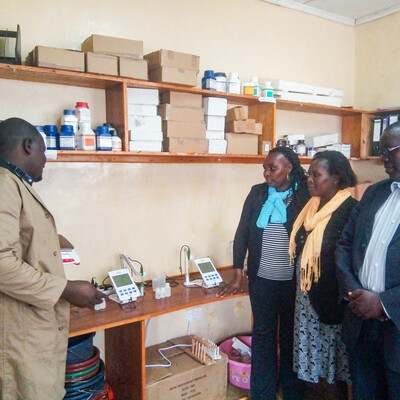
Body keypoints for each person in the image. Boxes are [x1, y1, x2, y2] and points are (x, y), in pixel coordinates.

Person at [0, 117, 106, 400]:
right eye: (44, 152)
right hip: (19, 331)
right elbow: (1, 264)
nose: (45, 160)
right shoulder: (4, 185)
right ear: (28, 145)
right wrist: (66, 288)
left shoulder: (16, 185)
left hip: (34, 325)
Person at [217, 146, 310, 400]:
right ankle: (262, 394)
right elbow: (242, 234)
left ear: (289, 167)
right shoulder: (258, 194)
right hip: (262, 281)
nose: (267, 174)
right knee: (263, 336)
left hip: (293, 283)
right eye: (265, 169)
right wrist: (238, 274)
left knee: (291, 337)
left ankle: (292, 392)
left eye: (273, 168)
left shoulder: (304, 195)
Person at [336, 121, 400, 400]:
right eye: (381, 151)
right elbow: (345, 244)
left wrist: (383, 303)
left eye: (390, 151)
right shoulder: (374, 193)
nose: (383, 158)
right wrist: (355, 293)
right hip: (361, 323)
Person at [289, 151, 357, 399]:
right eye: (309, 174)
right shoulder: (310, 206)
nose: (310, 179)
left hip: (331, 303)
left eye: (316, 175)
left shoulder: (350, 210)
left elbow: (351, 259)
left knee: (332, 369)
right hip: (306, 301)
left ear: (336, 179)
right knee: (311, 366)